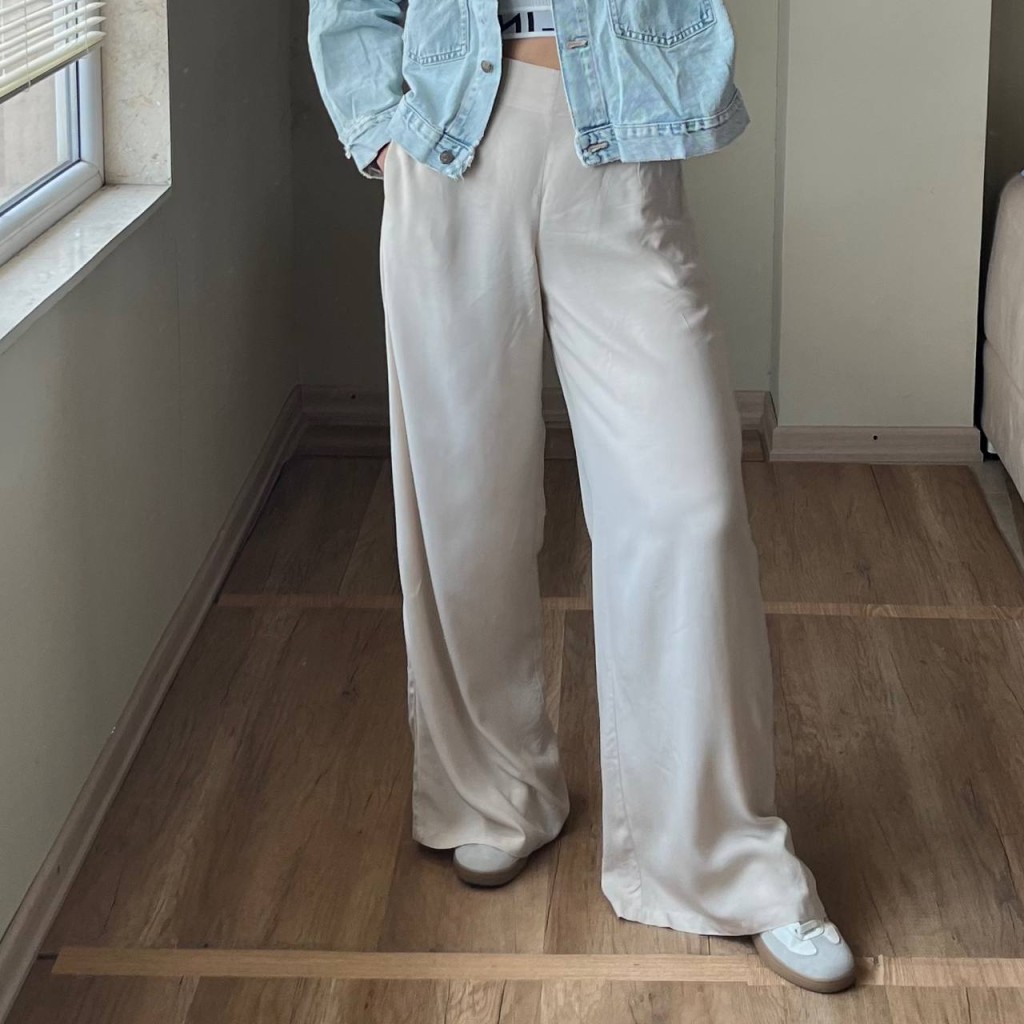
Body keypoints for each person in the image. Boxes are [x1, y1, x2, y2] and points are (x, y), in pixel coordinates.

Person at [307, 0, 857, 995]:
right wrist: (382, 129)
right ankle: (492, 791)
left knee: (691, 508)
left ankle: (720, 854)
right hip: (450, 139)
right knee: (463, 505)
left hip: (621, 137)